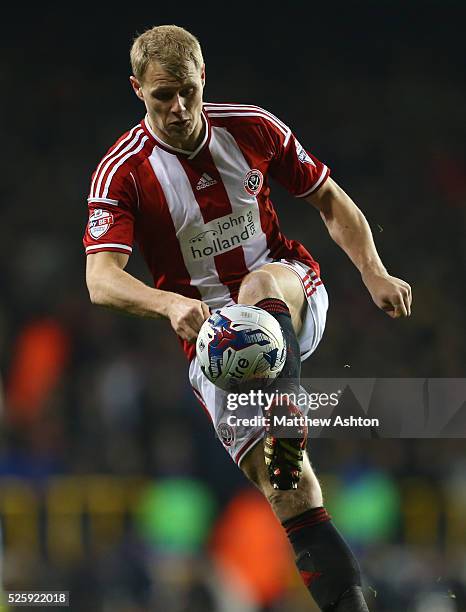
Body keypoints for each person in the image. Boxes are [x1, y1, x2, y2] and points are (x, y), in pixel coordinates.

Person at [83, 25, 412, 611]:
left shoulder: (252, 127)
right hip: (216, 344)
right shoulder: (124, 171)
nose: (179, 107)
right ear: (137, 90)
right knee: (291, 491)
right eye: (163, 95)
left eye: (187, 90)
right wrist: (171, 303)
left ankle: (287, 413)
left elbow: (329, 199)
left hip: (286, 287)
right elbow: (100, 278)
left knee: (258, 283)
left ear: (203, 77)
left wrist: (374, 271)